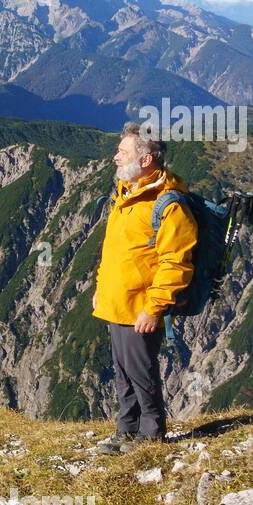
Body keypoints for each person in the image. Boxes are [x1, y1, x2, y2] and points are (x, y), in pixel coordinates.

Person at [92, 123, 197, 450]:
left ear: (146, 159)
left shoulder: (167, 205)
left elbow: (176, 263)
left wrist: (154, 308)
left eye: (122, 153)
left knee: (142, 374)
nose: (115, 158)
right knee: (124, 373)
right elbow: (115, 252)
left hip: (139, 307)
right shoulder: (127, 196)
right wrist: (101, 288)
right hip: (116, 302)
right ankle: (126, 430)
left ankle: (151, 435)